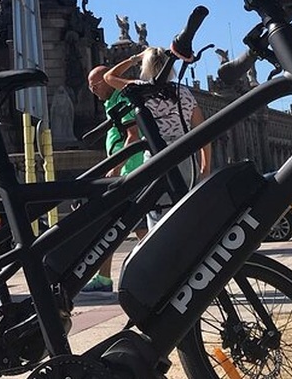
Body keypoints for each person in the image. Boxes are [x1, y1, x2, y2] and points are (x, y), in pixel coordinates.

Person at [104, 46, 212, 229]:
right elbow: (203, 132)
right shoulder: (183, 93)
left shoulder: (140, 90)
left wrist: (135, 58)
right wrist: (205, 167)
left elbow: (109, 77)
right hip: (185, 157)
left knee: (157, 213)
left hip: (156, 156)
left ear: (145, 67)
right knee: (185, 208)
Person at [82, 65, 145, 293]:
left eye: (94, 85)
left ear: (106, 82)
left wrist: (117, 166)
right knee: (111, 225)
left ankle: (161, 265)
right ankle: (104, 277)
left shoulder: (121, 99)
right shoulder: (113, 101)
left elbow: (133, 135)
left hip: (130, 171)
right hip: (127, 171)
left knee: (132, 226)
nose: (92, 90)